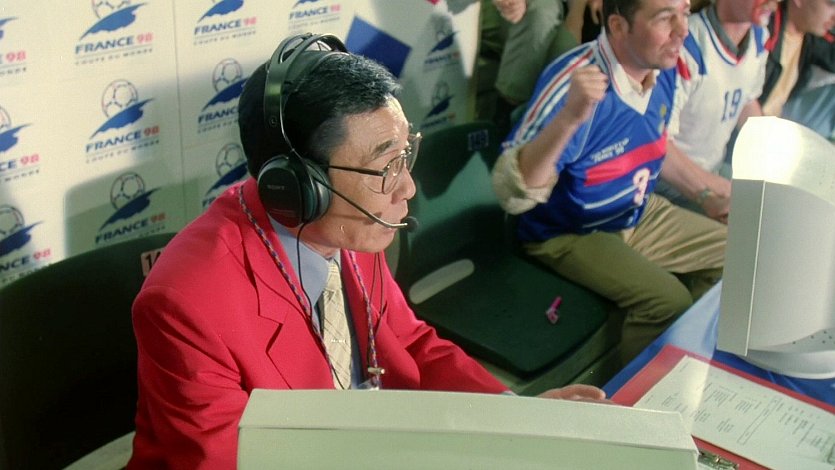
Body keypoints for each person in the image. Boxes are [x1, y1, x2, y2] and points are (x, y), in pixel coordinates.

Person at [128, 33, 607, 469]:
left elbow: (409, 343)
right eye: (385, 166)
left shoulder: (351, 220)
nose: (408, 187)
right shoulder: (187, 304)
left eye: (406, 154)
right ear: (299, 187)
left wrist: (517, 419)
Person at [491, 0, 727, 364]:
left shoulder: (664, 67)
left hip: (634, 210)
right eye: (665, 18)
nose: (682, 30)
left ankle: (687, 360)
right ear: (618, 26)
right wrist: (570, 118)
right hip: (569, 231)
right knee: (668, 301)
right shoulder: (576, 81)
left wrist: (706, 194)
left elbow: (655, 143)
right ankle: (632, 391)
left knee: (735, 255)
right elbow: (512, 194)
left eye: (684, 12)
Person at [656, 0, 778, 221]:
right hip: (670, 184)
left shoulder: (759, 36)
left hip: (712, 171)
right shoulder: (684, 45)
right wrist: (715, 189)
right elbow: (657, 144)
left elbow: (746, 98)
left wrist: (772, 149)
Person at [757, 0, 835, 140]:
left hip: (777, 122)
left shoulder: (809, 35)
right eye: (831, 3)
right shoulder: (764, 26)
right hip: (747, 127)